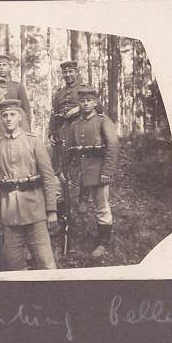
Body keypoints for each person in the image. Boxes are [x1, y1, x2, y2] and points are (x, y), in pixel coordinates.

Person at [0, 99, 58, 271]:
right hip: (9, 215)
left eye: (12, 115)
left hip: (35, 211)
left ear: (20, 117)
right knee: (14, 266)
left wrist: (52, 210)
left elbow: (48, 177)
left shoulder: (34, 142)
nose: (8, 118)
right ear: (0, 118)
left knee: (46, 263)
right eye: (4, 115)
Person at [65, 87, 119, 257]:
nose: (86, 103)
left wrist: (107, 172)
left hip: (99, 170)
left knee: (101, 206)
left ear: (95, 102)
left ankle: (104, 242)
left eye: (89, 100)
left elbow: (113, 146)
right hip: (82, 172)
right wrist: (65, 171)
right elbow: (69, 149)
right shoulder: (75, 124)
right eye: (82, 101)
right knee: (90, 205)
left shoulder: (103, 121)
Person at [48, 60, 89, 210]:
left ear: (76, 72)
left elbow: (96, 106)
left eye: (71, 71)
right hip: (62, 131)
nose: (68, 74)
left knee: (82, 162)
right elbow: (53, 114)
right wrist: (51, 132)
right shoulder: (59, 93)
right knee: (61, 165)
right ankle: (62, 202)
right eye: (65, 72)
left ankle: (83, 198)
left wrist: (77, 109)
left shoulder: (84, 89)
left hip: (80, 129)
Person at [0, 55, 31, 121]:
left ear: (9, 67)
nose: (1, 68)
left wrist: (26, 128)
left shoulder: (18, 87)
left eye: (4, 65)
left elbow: (26, 109)